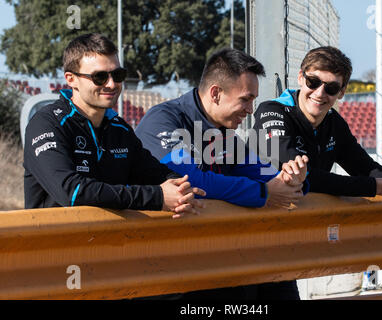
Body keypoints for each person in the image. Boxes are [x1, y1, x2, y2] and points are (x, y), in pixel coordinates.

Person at [135, 48, 309, 300]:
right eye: (245, 99)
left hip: (216, 254)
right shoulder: (163, 120)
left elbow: (262, 172)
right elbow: (192, 179)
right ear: (216, 93)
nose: (251, 110)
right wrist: (264, 192)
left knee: (279, 279)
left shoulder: (222, 133)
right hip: (165, 265)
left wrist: (293, 181)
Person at [24, 33, 205, 218]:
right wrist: (157, 197)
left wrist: (180, 189)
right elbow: (72, 192)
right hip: (54, 243)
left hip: (107, 244)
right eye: (100, 77)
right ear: (71, 79)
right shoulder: (46, 123)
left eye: (118, 75)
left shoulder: (120, 129)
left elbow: (156, 174)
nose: (111, 84)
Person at [253, 46, 382, 204]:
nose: (319, 93)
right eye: (313, 82)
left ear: (342, 92)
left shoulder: (334, 122)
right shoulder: (271, 111)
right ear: (301, 78)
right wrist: (376, 187)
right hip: (253, 217)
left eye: (331, 88)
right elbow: (303, 176)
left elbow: (363, 166)